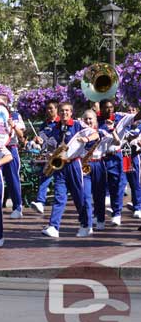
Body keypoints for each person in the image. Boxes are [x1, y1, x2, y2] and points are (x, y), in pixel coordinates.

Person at [41, 102, 96, 238]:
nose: (64, 113)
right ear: (58, 113)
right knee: (59, 196)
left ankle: (85, 224)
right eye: (61, 111)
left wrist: (86, 138)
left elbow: (96, 134)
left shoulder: (77, 125)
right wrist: (50, 153)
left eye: (67, 110)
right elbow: (50, 145)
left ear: (71, 112)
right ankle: (54, 226)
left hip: (74, 164)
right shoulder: (56, 128)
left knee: (79, 197)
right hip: (60, 166)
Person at [0, 95, 25, 219]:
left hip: (11, 148)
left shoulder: (15, 115)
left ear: (6, 103)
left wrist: (13, 125)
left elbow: (21, 135)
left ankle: (18, 207)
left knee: (13, 179)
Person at [30, 100, 60, 214]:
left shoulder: (60, 123)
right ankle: (40, 202)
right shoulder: (44, 124)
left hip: (59, 155)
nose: (49, 110)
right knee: (45, 176)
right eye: (47, 108)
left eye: (51, 108)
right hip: (48, 157)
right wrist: (38, 140)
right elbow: (41, 139)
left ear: (57, 109)